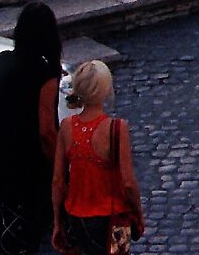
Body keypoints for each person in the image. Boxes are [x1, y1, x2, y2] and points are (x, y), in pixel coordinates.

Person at [0, 2, 62, 254]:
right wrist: (58, 166)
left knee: (8, 230)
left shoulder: (0, 61)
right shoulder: (45, 72)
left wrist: (4, 132)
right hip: (32, 169)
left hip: (1, 159)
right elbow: (46, 130)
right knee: (32, 232)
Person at [52, 60, 144, 255]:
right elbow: (128, 183)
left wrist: (58, 223)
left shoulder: (67, 127)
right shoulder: (117, 128)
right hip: (116, 217)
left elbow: (58, 181)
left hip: (77, 215)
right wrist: (138, 212)